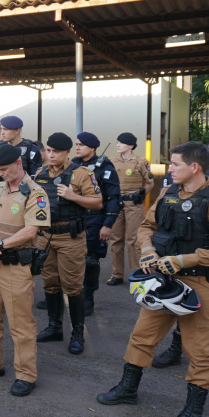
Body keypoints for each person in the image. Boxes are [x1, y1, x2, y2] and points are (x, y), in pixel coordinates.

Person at [96, 141, 209, 417]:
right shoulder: (169, 192)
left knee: (200, 350)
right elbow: (147, 227)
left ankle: (193, 410)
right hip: (164, 281)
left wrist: (183, 259)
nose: (169, 169)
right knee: (142, 336)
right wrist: (147, 251)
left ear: (194, 167)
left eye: (175, 165)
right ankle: (127, 389)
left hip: (201, 282)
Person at [0, 143, 50, 397]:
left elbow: (31, 230)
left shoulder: (35, 193)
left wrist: (0, 245)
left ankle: (26, 375)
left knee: (20, 323)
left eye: (4, 169)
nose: (0, 174)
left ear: (19, 164)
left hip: (16, 265)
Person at [34, 132, 102, 355]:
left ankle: (77, 334)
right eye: (49, 151)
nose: (51, 155)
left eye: (56, 152)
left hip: (70, 237)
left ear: (67, 153)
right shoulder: (40, 173)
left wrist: (74, 197)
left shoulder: (82, 175)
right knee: (50, 283)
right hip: (45, 237)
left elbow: (97, 203)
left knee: (72, 286)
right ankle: (54, 327)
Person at [71, 132, 121, 317]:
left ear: (92, 148)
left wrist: (108, 224)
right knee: (67, 258)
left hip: (94, 219)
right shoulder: (73, 164)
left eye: (81, 145)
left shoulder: (104, 167)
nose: (77, 147)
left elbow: (114, 197)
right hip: (74, 218)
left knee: (90, 261)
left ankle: (88, 298)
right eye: (76, 144)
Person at [108, 133, 154, 286]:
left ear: (131, 145)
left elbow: (150, 183)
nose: (118, 145)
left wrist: (141, 195)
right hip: (116, 203)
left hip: (133, 204)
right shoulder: (112, 162)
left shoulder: (141, 161)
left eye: (121, 142)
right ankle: (117, 274)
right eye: (117, 142)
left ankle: (135, 272)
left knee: (133, 239)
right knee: (115, 239)